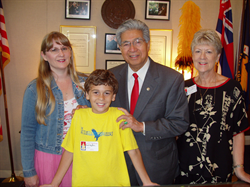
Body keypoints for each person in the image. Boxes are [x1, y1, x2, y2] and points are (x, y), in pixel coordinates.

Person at [41, 69, 158, 187]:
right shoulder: (79, 116)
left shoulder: (120, 117)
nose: (101, 98)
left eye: (106, 93)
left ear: (113, 96)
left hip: (116, 183)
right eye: (96, 92)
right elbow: (70, 151)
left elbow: (133, 151)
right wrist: (54, 184)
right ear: (87, 94)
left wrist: (146, 182)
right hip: (83, 183)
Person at [109, 19, 190, 185]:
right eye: (126, 44)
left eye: (138, 42)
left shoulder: (171, 79)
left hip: (155, 166)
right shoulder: (110, 77)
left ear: (147, 43)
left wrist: (142, 126)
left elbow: (179, 123)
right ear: (119, 48)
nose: (132, 49)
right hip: (118, 164)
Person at [175, 29, 250, 184]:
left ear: (217, 56)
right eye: (198, 51)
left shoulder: (232, 89)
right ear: (193, 55)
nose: (202, 57)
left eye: (208, 51)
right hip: (185, 168)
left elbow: (238, 132)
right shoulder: (182, 88)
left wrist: (239, 169)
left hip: (219, 169)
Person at [20, 31, 90, 187]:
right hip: (49, 158)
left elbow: (101, 118)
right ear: (44, 55)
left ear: (70, 52)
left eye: (65, 48)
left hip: (82, 156)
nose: (61, 53)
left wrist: (89, 113)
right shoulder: (34, 89)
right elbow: (27, 132)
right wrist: (29, 171)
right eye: (54, 50)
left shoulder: (87, 83)